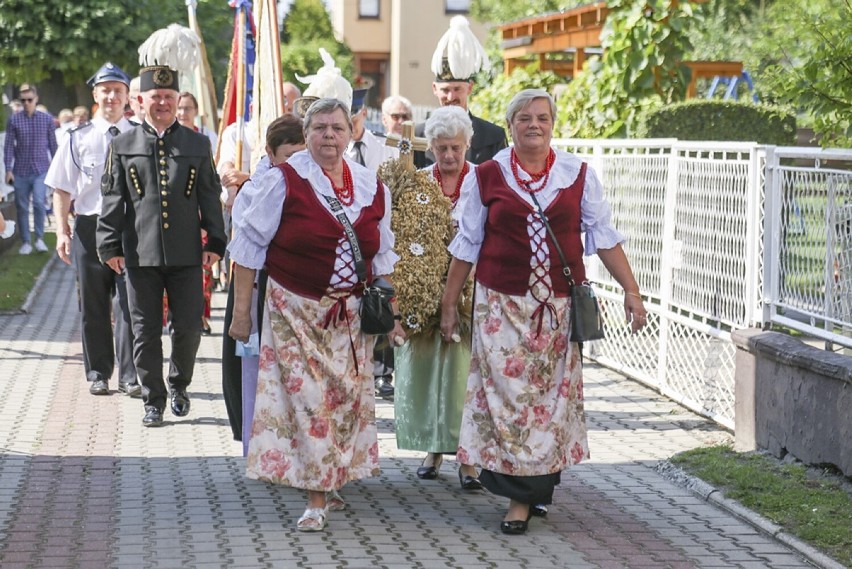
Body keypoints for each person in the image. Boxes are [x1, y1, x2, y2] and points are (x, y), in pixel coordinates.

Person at [440, 89, 648, 535]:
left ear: (553, 124)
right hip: (501, 306)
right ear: (511, 125)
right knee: (509, 400)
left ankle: (534, 491)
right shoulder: (488, 176)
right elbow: (468, 244)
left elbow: (603, 237)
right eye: (524, 118)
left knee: (548, 404)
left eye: (542, 117)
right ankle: (520, 497)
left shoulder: (578, 174)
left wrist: (632, 290)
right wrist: (448, 304)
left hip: (555, 309)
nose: (534, 125)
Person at [228, 97, 403, 532]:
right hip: (297, 309)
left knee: (343, 403)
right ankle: (316, 498)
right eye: (320, 127)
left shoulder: (370, 185)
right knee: (310, 402)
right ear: (305, 135)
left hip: (351, 316)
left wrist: (394, 315)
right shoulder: (283, 181)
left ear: (350, 134)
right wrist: (241, 314)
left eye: (337, 128)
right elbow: (248, 248)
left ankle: (331, 477)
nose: (329, 135)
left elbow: (382, 258)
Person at [97, 64, 227, 428]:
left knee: (188, 327)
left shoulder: (196, 144)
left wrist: (216, 240)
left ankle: (179, 385)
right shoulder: (122, 145)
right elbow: (112, 200)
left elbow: (209, 196)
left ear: (177, 100)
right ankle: (153, 400)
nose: (163, 103)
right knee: (145, 330)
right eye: (156, 97)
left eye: (169, 97)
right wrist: (109, 246)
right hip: (139, 255)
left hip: (187, 255)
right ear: (140, 101)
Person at [394, 105, 482, 489]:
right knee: (431, 372)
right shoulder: (416, 184)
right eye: (442, 148)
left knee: (465, 376)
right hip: (424, 291)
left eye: (456, 148)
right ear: (429, 148)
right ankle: (434, 449)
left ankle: (469, 460)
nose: (449, 156)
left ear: (467, 146)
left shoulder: (482, 181)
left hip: (472, 292)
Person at [44, 62, 142, 398]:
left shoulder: (141, 135)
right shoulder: (78, 138)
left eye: (118, 90)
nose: (112, 96)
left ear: (128, 95)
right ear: (95, 94)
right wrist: (62, 231)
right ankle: (99, 371)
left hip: (131, 229)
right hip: (90, 226)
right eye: (106, 90)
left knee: (132, 304)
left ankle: (131, 376)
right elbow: (61, 188)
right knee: (94, 304)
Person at [221, 113, 306, 452]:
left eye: (303, 155)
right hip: (262, 287)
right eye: (289, 156)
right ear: (271, 155)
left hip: (305, 291)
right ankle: (265, 444)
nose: (297, 165)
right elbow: (246, 250)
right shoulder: (256, 189)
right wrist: (242, 312)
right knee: (262, 368)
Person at [413, 16, 507, 169]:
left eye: (457, 89)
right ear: (434, 89)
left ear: (470, 88)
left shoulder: (493, 135)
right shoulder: (418, 134)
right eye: (445, 90)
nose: (451, 97)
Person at [4, 83, 57, 255]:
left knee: (40, 203)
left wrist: (57, 169)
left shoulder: (47, 119)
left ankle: (40, 239)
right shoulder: (14, 120)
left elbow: (53, 145)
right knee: (22, 206)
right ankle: (26, 241)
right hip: (20, 169)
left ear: (36, 99)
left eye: (30, 100)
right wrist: (8, 169)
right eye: (23, 100)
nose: (26, 103)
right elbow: (8, 146)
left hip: (41, 169)